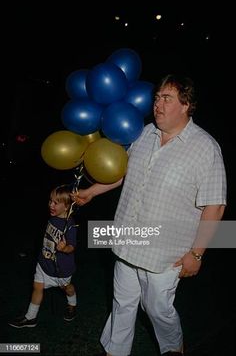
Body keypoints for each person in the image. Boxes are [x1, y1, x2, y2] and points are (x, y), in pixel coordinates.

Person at [72, 74, 227, 356]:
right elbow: (120, 173)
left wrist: (197, 253)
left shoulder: (205, 148)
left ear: (186, 105)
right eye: (156, 98)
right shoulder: (143, 134)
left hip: (165, 253)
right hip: (128, 240)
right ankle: (115, 351)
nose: (157, 104)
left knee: (158, 310)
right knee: (122, 304)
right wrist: (91, 191)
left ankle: (173, 350)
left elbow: (215, 206)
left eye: (166, 98)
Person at [9, 184, 78, 328]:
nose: (51, 205)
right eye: (50, 201)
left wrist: (65, 248)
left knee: (68, 289)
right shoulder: (52, 218)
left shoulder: (70, 226)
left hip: (62, 270)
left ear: (66, 207)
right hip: (44, 263)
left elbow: (72, 247)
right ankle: (30, 318)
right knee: (37, 287)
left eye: (56, 203)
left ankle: (72, 304)